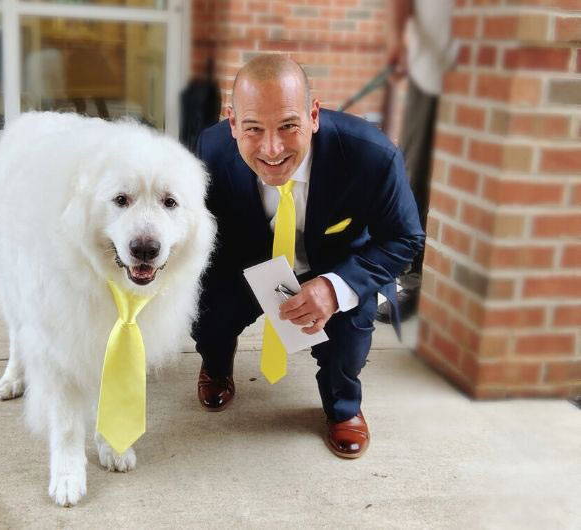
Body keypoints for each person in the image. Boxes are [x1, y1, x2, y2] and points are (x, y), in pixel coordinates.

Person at [192, 54, 424, 458]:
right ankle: (215, 361)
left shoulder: (373, 156)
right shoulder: (207, 150)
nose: (271, 148)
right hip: (248, 263)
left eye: (288, 126)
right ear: (232, 123)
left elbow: (404, 238)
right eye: (252, 129)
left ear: (313, 115)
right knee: (203, 310)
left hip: (334, 267)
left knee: (348, 345)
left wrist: (337, 288)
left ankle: (343, 407)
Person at [377, 0, 458, 323]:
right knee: (416, 177)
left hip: (494, 68)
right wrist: (396, 38)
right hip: (433, 70)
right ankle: (413, 284)